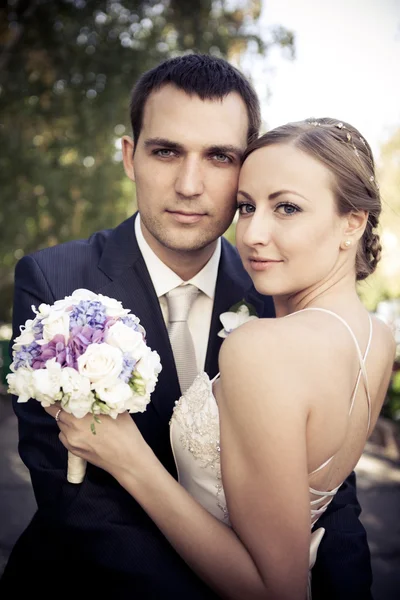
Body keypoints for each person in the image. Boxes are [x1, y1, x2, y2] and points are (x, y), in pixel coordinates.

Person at [0, 54, 377, 598]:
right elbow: (74, 498)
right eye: (166, 151)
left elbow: (327, 491)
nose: (190, 184)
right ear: (130, 157)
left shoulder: (278, 288)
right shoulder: (54, 279)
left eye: (220, 156)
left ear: (246, 167)